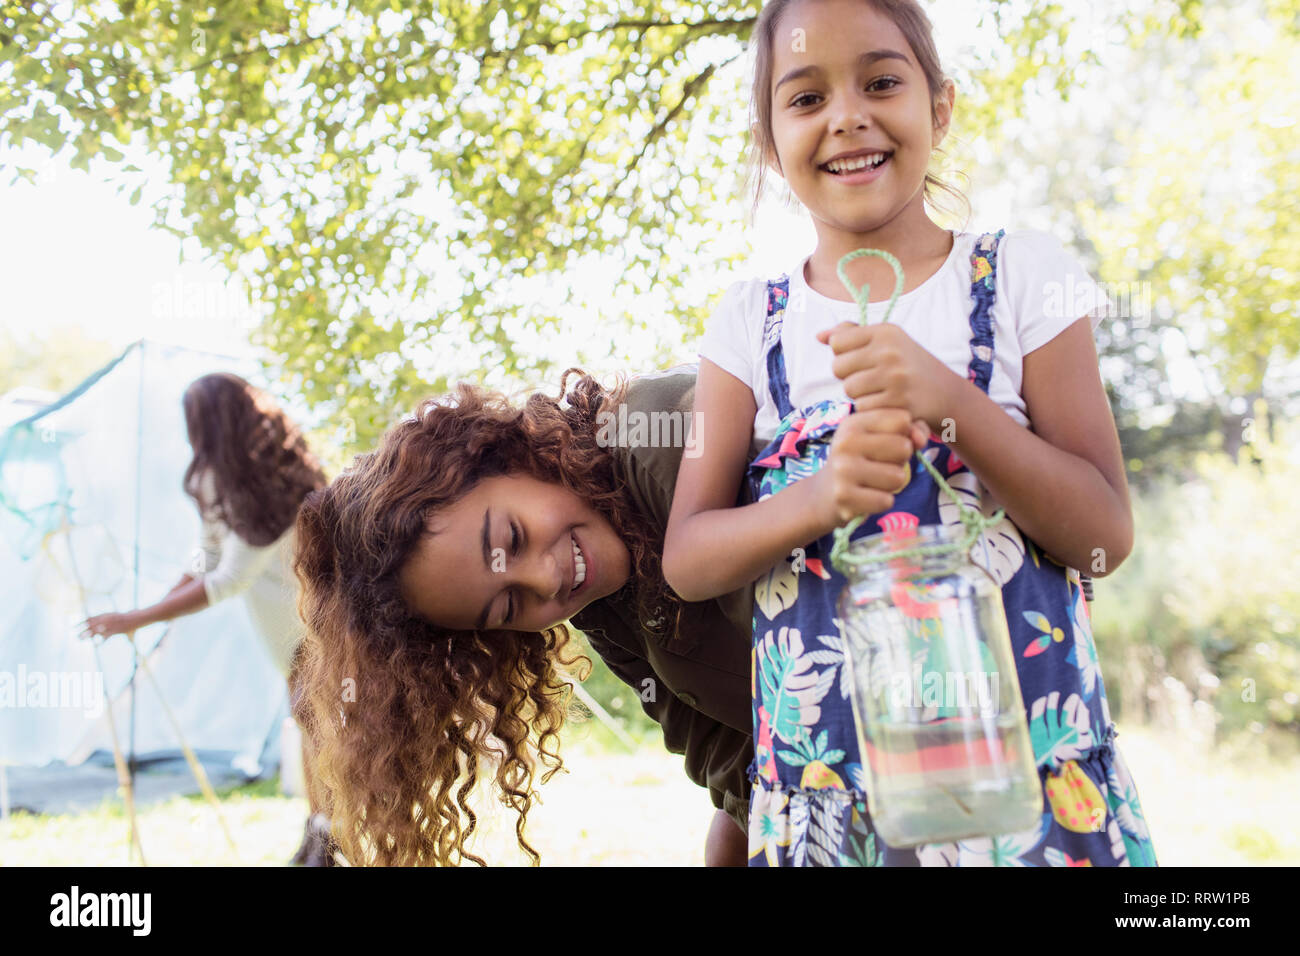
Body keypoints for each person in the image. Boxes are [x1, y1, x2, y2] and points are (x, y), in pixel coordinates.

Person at [662, 0, 1157, 866]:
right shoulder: (749, 326)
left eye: (882, 82)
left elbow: (1105, 537)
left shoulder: (1021, 279)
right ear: (771, 144)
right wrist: (819, 496)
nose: (848, 115)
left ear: (940, 106)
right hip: (830, 808)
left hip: (1032, 794)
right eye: (806, 97)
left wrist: (952, 404)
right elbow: (690, 558)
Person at [290, 366, 917, 866]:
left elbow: (833, 655)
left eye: (510, 535)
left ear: (511, 459)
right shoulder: (607, 606)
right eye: (508, 607)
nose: (546, 577)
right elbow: (726, 753)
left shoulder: (658, 439)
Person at [80, 372, 334, 866]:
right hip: (281, 628)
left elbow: (227, 580)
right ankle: (318, 836)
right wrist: (150, 611)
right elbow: (207, 557)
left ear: (211, 423)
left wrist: (139, 618)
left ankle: (329, 838)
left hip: (313, 623)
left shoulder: (272, 483)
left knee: (321, 729)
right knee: (309, 726)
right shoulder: (226, 481)